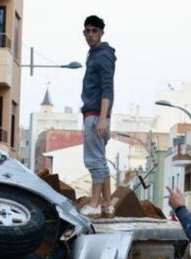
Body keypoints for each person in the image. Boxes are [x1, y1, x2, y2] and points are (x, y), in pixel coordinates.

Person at [80, 15, 116, 218]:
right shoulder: (95, 54)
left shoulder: (101, 55)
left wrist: (102, 117)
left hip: (96, 115)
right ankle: (107, 204)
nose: (91, 35)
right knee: (101, 160)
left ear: (102, 32)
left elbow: (107, 89)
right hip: (95, 114)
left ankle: (94, 204)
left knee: (93, 161)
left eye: (95, 31)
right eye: (88, 31)